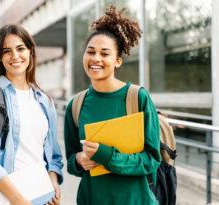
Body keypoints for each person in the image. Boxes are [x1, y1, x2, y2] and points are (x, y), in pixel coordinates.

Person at [64, 6, 161, 205]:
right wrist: (80, 160)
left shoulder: (137, 97)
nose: (96, 58)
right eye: (90, 52)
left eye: (104, 53)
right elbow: (71, 162)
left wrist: (107, 156)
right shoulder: (76, 105)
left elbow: (151, 160)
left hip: (135, 200)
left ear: (117, 61)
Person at [0, 24, 63, 205]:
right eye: (6, 51)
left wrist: (53, 182)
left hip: (42, 197)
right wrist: (17, 199)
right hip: (4, 199)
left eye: (20, 49)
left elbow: (53, 156)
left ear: (30, 52)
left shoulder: (44, 101)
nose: (15, 56)